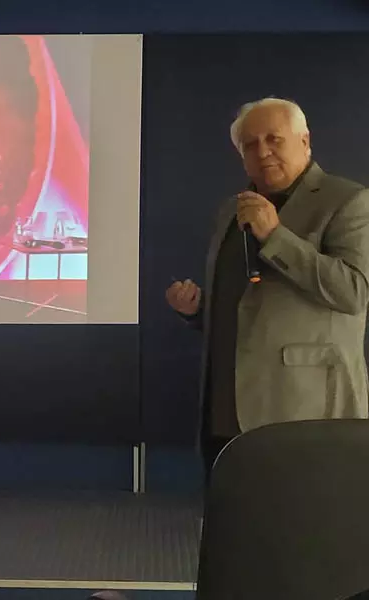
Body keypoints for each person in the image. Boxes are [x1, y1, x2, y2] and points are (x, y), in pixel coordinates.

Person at [166, 97, 369, 485]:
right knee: (234, 519)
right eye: (250, 144)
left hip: (305, 410)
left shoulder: (348, 201)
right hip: (227, 409)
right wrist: (197, 311)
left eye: (274, 139)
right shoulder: (232, 210)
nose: (263, 152)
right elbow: (247, 303)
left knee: (300, 517)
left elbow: (354, 292)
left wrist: (275, 235)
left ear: (304, 141)